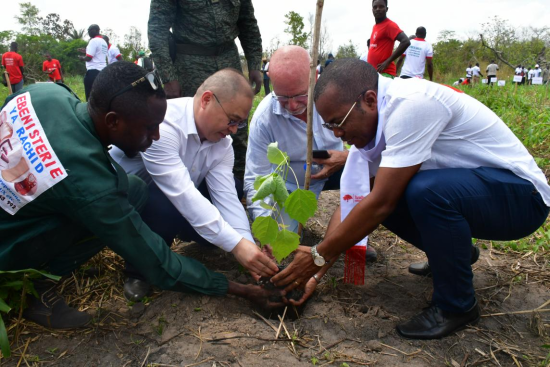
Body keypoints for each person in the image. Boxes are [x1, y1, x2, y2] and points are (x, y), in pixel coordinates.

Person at [271, 58, 550, 340]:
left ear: (369, 100)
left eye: (339, 122)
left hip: (522, 198)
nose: (338, 135)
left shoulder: (411, 106)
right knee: (391, 193)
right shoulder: (371, 131)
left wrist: (319, 256)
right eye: (330, 126)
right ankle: (455, 256)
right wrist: (315, 274)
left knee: (420, 192)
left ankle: (457, 305)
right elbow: (354, 204)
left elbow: (381, 203)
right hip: (483, 193)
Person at [0, 62, 281, 330]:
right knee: (138, 197)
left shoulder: (45, 92)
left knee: (133, 189)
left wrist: (245, 245)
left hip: (34, 201)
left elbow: (226, 197)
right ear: (113, 121)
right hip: (9, 240)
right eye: (149, 129)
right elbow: (159, 260)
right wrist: (238, 289)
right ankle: (34, 280)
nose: (155, 136)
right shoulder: (95, 185)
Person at [111, 68, 278, 300]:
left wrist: (248, 246)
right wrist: (237, 246)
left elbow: (226, 198)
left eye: (239, 124)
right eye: (231, 120)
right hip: (129, 201)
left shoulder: (222, 144)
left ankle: (197, 234)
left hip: (177, 194)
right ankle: (140, 270)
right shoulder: (164, 125)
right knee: (165, 204)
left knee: (235, 187)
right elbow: (182, 194)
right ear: (207, 100)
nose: (232, 130)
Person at [244, 46, 378, 261]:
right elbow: (255, 177)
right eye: (283, 98)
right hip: (292, 180)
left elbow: (375, 151)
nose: (293, 105)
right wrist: (265, 225)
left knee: (369, 176)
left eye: (299, 96)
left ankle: (354, 235)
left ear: (314, 76)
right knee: (280, 238)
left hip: (339, 167)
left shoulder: (337, 98)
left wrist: (347, 158)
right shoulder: (264, 118)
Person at [148, 0, 263, 181]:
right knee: (194, 127)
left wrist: (255, 64)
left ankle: (237, 185)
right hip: (189, 63)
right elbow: (157, 29)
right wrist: (168, 77)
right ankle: (189, 183)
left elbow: (248, 23)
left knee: (236, 128)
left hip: (228, 59)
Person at [367, 0, 410, 78]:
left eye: (381, 6)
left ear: (386, 9)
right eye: (375, 7)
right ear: (372, 10)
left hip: (385, 73)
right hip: (375, 73)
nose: (378, 9)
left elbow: (406, 41)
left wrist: (387, 62)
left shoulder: (389, 25)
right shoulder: (375, 26)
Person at [78, 24, 108, 100]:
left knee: (90, 97)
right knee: (101, 96)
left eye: (90, 30)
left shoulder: (93, 41)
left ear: (97, 30)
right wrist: (86, 51)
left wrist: (81, 58)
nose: (88, 32)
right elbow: (98, 53)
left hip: (93, 72)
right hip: (103, 71)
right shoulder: (104, 42)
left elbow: (89, 58)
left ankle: (90, 111)